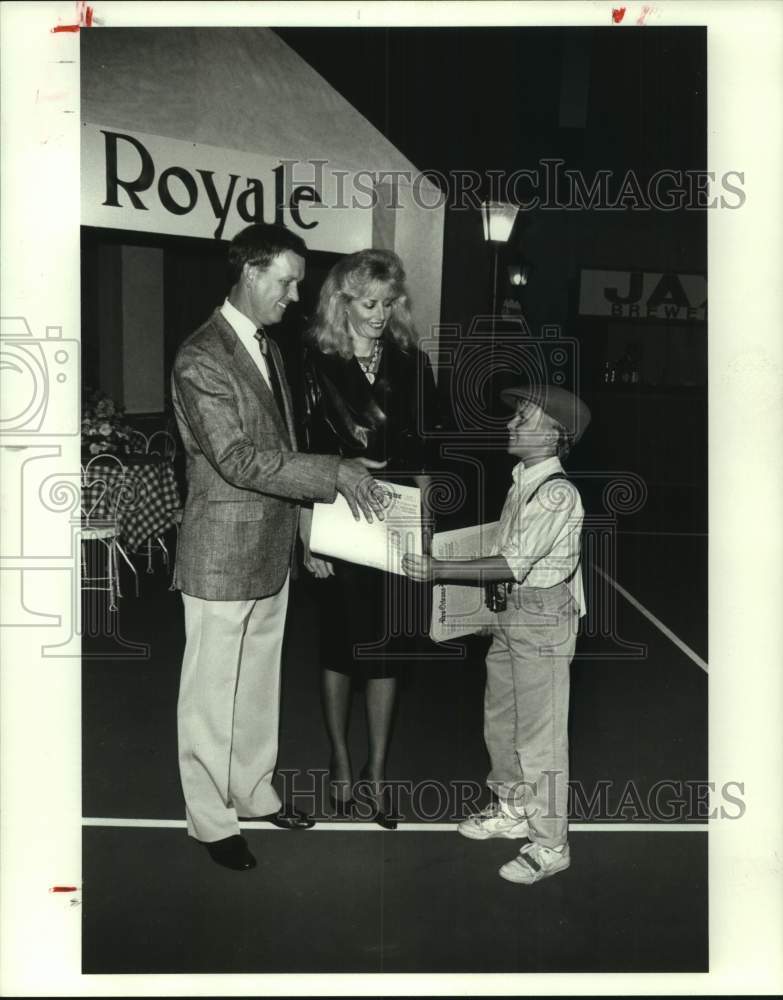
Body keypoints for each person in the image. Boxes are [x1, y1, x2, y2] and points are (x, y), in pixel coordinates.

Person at [171, 223, 387, 872]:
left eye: (298, 282)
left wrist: (304, 533)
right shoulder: (202, 356)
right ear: (249, 273)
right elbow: (237, 458)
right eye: (286, 280)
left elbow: (282, 447)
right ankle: (211, 821)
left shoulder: (268, 347)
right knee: (210, 694)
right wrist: (334, 472)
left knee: (258, 684)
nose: (295, 294)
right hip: (219, 550)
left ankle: (253, 788)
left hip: (269, 547)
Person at [402, 384, 589, 883]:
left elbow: (512, 561)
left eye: (524, 419)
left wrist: (439, 569)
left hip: (544, 619)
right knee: (500, 721)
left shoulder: (555, 492)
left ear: (554, 435)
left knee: (540, 737)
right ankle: (513, 808)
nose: (511, 424)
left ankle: (551, 844)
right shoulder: (523, 479)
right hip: (513, 615)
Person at [298, 248, 438, 829]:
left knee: (388, 650)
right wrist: (306, 535)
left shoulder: (410, 361)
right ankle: (338, 760)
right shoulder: (313, 359)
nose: (379, 314)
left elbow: (427, 452)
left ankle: (376, 772)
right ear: (342, 300)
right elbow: (299, 450)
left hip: (398, 508)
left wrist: (425, 527)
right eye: (367, 302)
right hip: (335, 505)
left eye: (387, 303)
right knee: (339, 646)